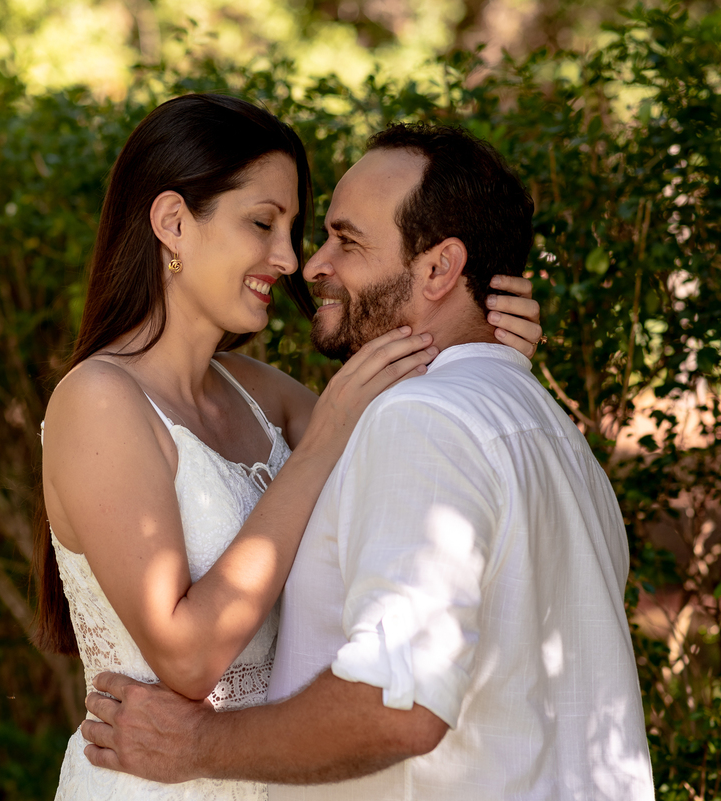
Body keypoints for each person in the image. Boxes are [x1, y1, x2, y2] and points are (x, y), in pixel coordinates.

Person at [79, 123, 656, 800]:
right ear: (172, 223)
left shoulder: (414, 420)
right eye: (268, 223)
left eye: (342, 240)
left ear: (440, 268)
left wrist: (198, 745)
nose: (303, 262)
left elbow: (397, 702)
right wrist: (481, 346)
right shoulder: (551, 432)